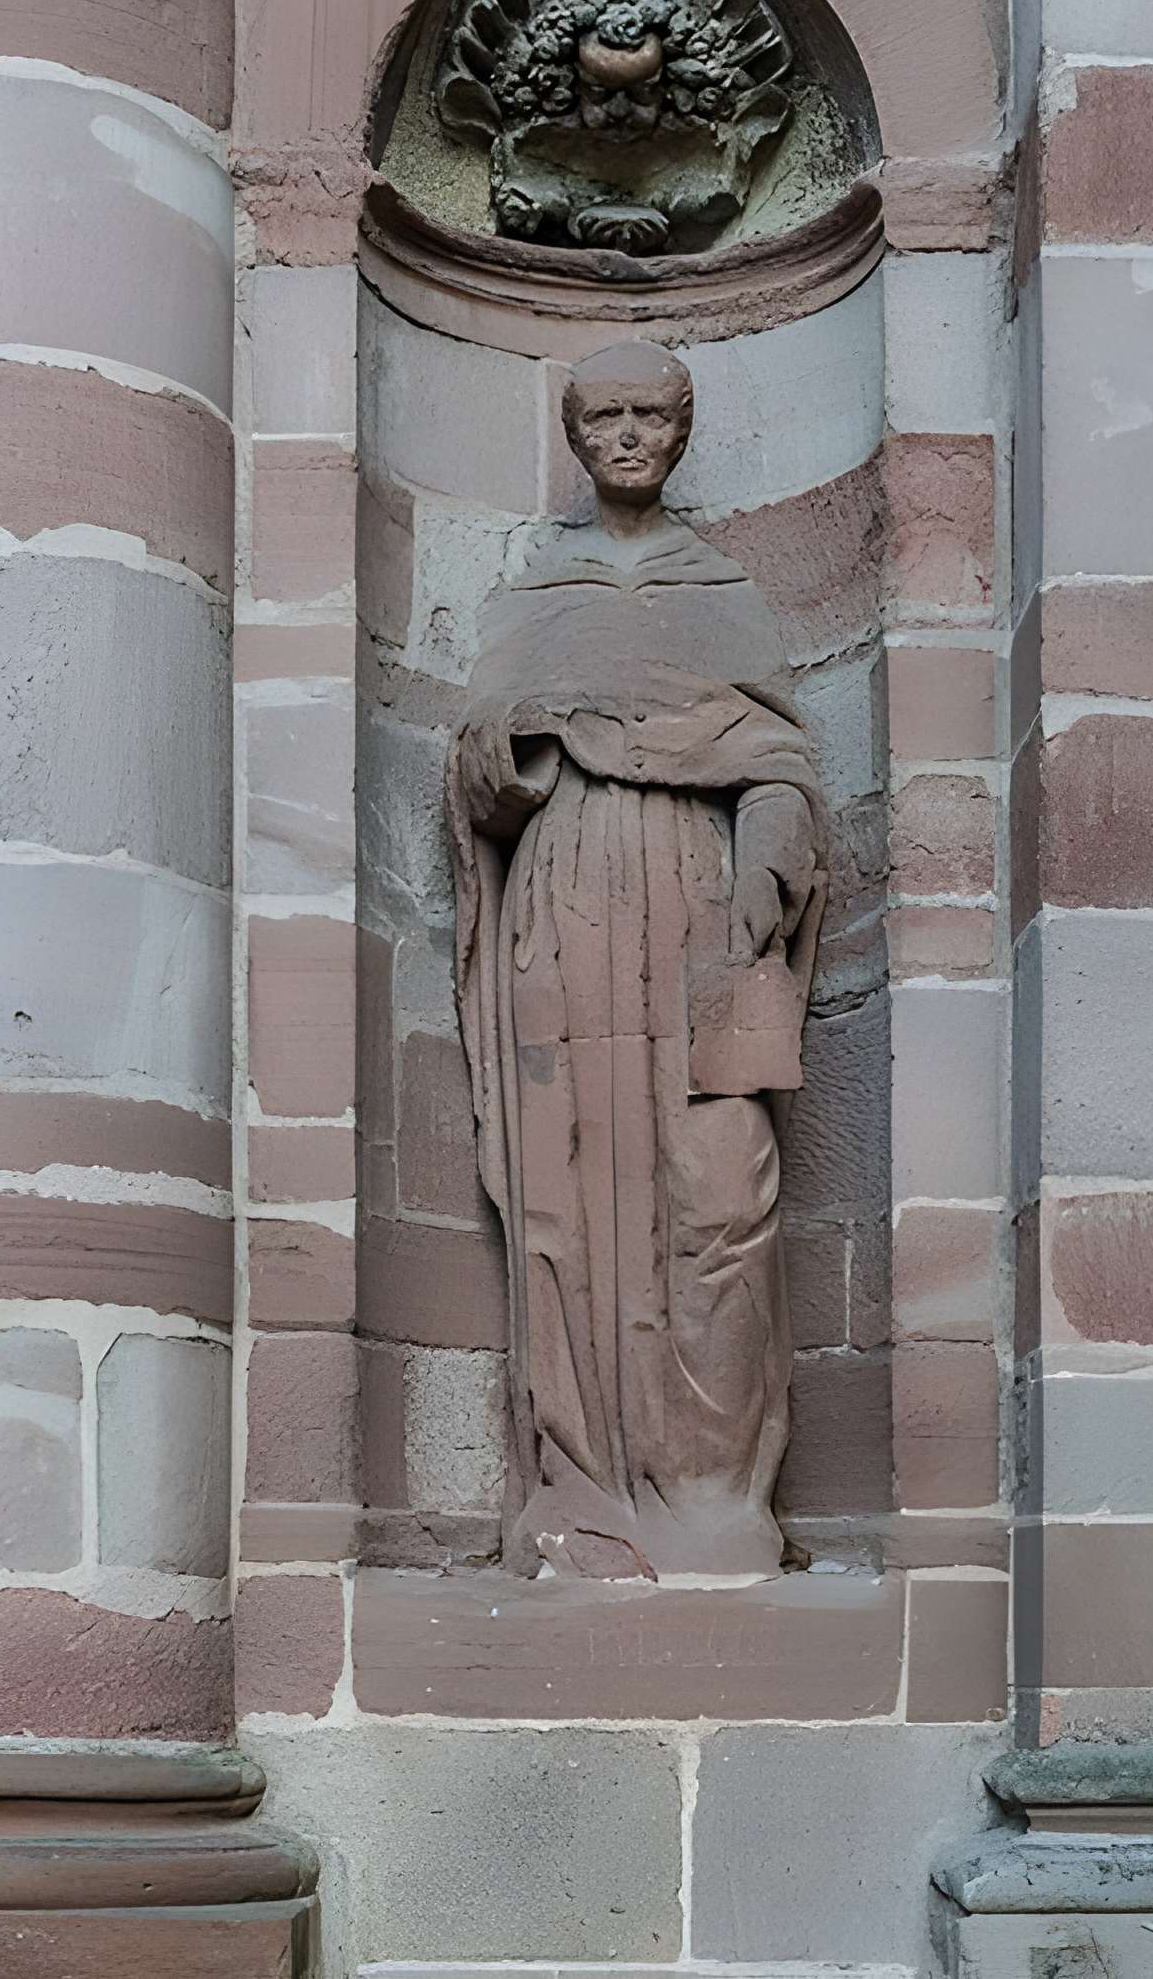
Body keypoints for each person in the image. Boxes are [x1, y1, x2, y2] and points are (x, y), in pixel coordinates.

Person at [446, 341, 826, 1579]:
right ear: (575, 433)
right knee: (569, 1195)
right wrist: (507, 754)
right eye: (602, 416)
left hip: (700, 927)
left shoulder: (721, 589)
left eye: (647, 416)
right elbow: (472, 776)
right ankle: (588, 1480)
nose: (625, 436)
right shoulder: (534, 594)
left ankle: (713, 1489)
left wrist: (770, 842)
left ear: (678, 430)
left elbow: (780, 757)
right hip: (562, 914)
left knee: (719, 1195)